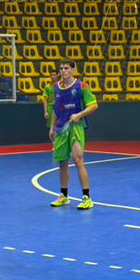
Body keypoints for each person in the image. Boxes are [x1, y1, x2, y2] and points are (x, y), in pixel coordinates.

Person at [46, 61, 98, 209]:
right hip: (61, 127)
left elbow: (94, 105)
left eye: (66, 68)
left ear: (73, 69)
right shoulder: (56, 87)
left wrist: (79, 115)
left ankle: (87, 197)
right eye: (61, 68)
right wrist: (52, 127)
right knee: (62, 162)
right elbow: (56, 109)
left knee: (77, 159)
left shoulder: (82, 86)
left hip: (76, 126)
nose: (63, 71)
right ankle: (64, 196)